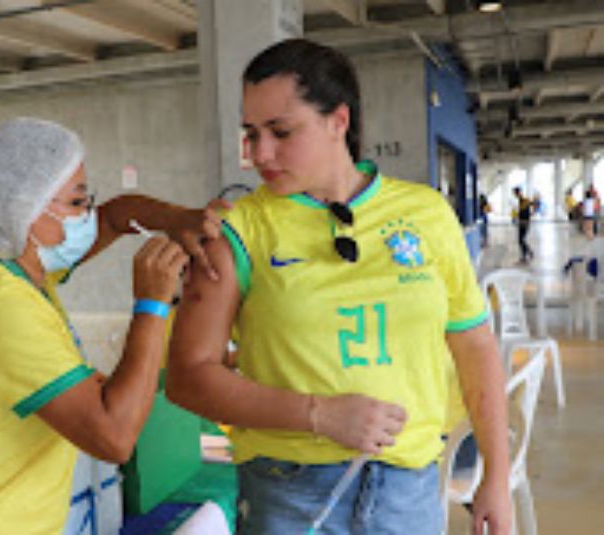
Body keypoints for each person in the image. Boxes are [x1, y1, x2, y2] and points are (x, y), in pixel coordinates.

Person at [166, 39, 511, 535]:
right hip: (287, 494)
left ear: (339, 121)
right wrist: (318, 414)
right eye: (251, 133)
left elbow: (474, 343)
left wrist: (495, 477)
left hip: (407, 491)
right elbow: (188, 375)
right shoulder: (239, 230)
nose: (260, 153)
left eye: (281, 132)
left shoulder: (426, 214)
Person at [0, 118, 224, 534]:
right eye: (76, 203)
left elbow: (116, 217)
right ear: (27, 210)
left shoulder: (17, 274)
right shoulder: (0, 302)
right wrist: (152, 304)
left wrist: (177, 218)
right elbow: (114, 437)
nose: (87, 215)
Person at [513, 187, 534, 263]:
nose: (514, 195)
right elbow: (523, 210)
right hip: (522, 221)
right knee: (520, 240)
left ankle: (527, 254)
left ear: (518, 193)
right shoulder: (520, 200)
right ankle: (527, 254)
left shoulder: (524, 200)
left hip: (525, 222)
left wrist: (531, 213)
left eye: (515, 193)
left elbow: (533, 204)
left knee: (521, 239)